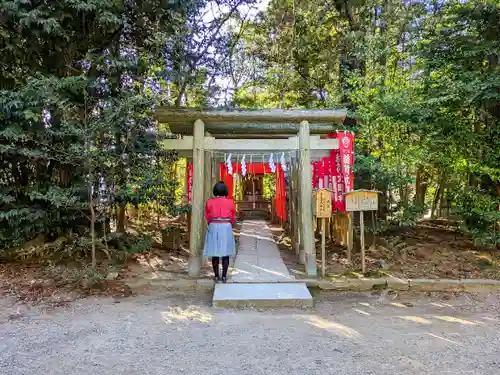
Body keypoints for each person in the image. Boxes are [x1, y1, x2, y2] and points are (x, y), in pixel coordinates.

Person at [203, 181, 236, 283]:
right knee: (225, 252)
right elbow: (233, 215)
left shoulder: (209, 202)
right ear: (226, 190)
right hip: (226, 226)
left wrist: (211, 223)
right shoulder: (230, 202)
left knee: (215, 252)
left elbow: (207, 215)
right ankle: (224, 276)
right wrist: (230, 223)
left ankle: (216, 276)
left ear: (215, 190)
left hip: (214, 225)